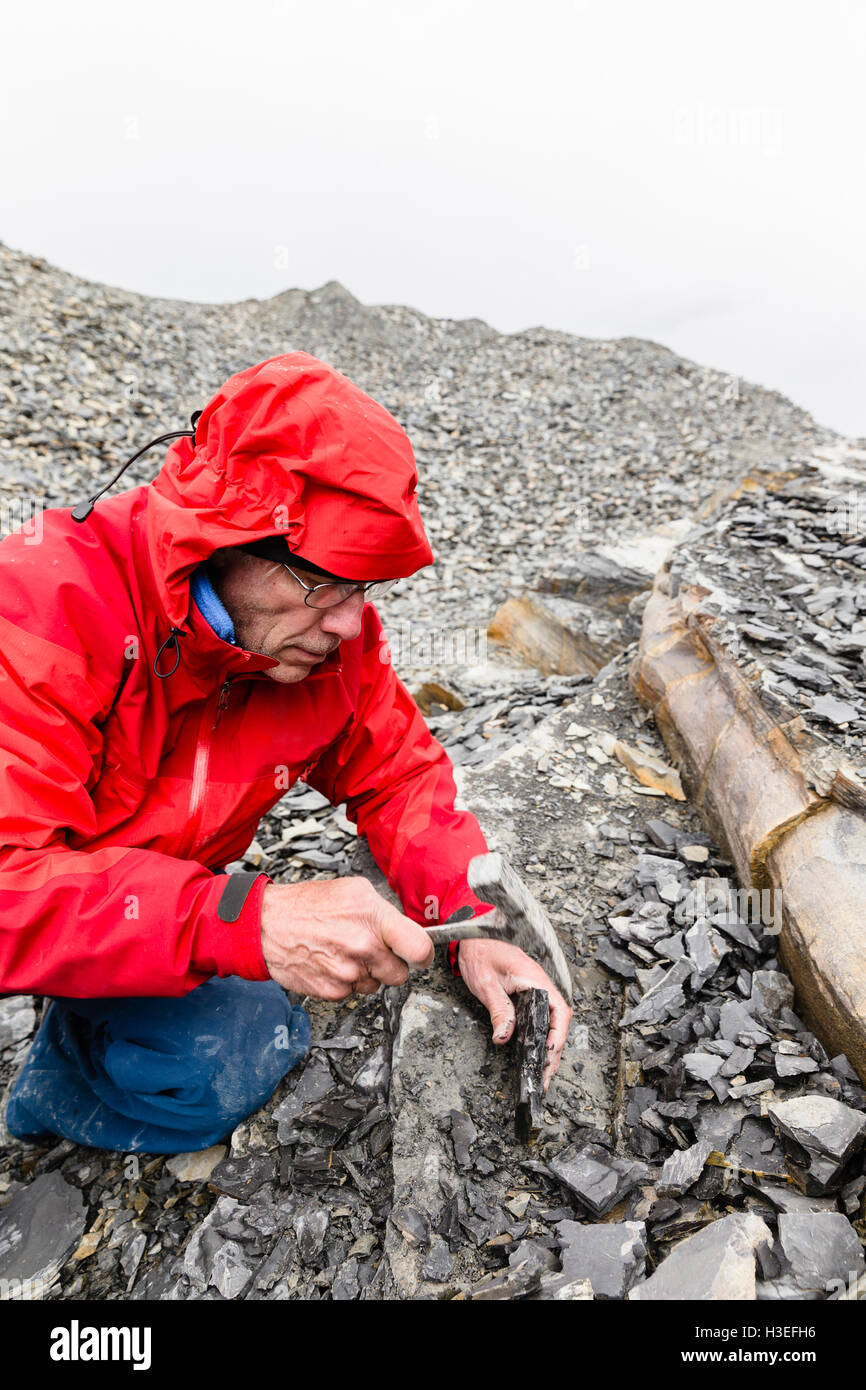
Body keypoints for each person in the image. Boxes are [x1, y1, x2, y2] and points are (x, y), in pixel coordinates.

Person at [0, 351, 571, 1153]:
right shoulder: (40, 604)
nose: (349, 623)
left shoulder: (328, 644)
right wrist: (244, 919)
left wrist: (470, 920)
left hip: (146, 904)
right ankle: (52, 1091)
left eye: (364, 589)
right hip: (59, 892)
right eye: (327, 585)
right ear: (223, 538)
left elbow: (398, 774)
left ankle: (66, 1059)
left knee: (229, 1058)